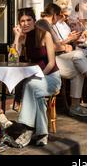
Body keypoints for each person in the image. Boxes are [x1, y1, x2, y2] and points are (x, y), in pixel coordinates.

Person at [39, 4, 87, 117]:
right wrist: (65, 45)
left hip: (57, 57)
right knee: (78, 54)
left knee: (79, 69)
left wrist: (66, 42)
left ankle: (75, 106)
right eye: (60, 16)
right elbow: (50, 47)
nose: (62, 19)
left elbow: (56, 44)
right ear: (55, 15)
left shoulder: (48, 24)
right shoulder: (43, 24)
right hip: (48, 60)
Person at [11, 13, 62, 147]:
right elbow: (13, 58)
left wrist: (39, 76)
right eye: (22, 21)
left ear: (34, 21)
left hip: (50, 77)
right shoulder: (23, 37)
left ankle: (27, 129)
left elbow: (51, 63)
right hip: (34, 82)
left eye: (29, 20)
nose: (25, 23)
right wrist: (17, 37)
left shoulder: (45, 35)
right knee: (35, 93)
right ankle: (42, 134)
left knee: (30, 85)